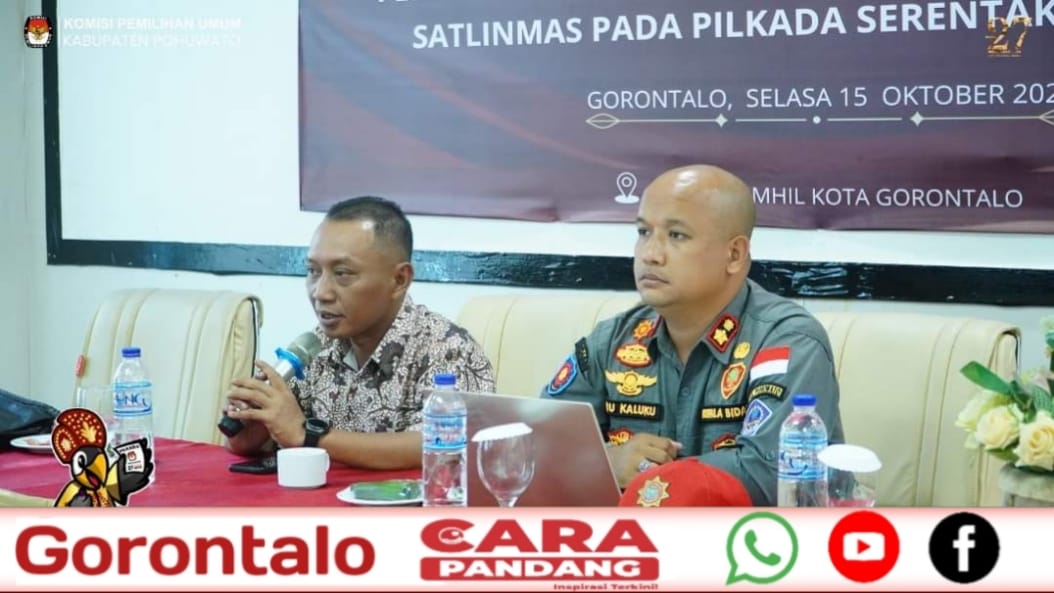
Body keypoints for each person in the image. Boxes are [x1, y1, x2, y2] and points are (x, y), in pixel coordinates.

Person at [543, 164, 844, 505]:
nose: (650, 254)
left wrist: (653, 474)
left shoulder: (787, 341)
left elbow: (772, 476)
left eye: (677, 235)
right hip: (634, 536)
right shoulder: (611, 341)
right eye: (643, 232)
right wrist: (605, 462)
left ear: (734, 254)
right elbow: (535, 446)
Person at [224, 196, 495, 469]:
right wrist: (253, 431)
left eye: (342, 273)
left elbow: (442, 445)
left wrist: (310, 436)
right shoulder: (317, 345)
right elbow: (282, 432)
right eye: (313, 271)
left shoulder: (447, 348)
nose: (320, 292)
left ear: (399, 280)